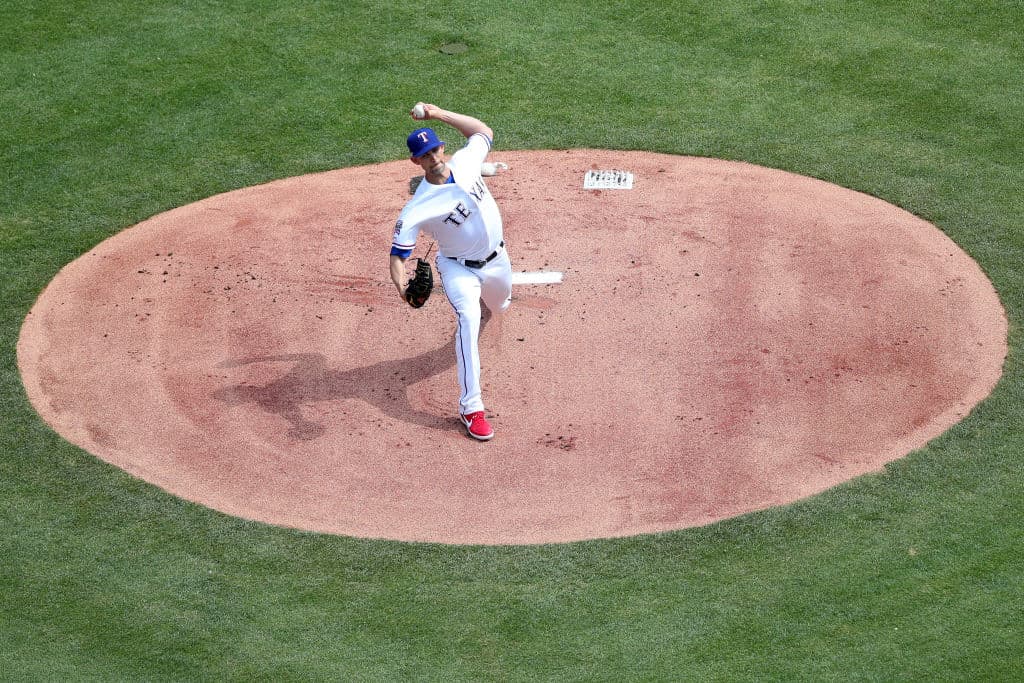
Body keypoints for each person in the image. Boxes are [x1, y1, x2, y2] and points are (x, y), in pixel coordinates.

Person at [389, 103, 512, 441]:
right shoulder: (417, 208)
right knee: (468, 320)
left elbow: (482, 131)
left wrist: (437, 113)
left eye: (435, 149)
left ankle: (494, 303)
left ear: (442, 147)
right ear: (416, 161)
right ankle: (471, 409)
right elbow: (398, 256)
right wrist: (402, 289)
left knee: (500, 306)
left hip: (498, 261)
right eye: (425, 155)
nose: (433, 158)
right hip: (459, 270)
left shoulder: (466, 162)